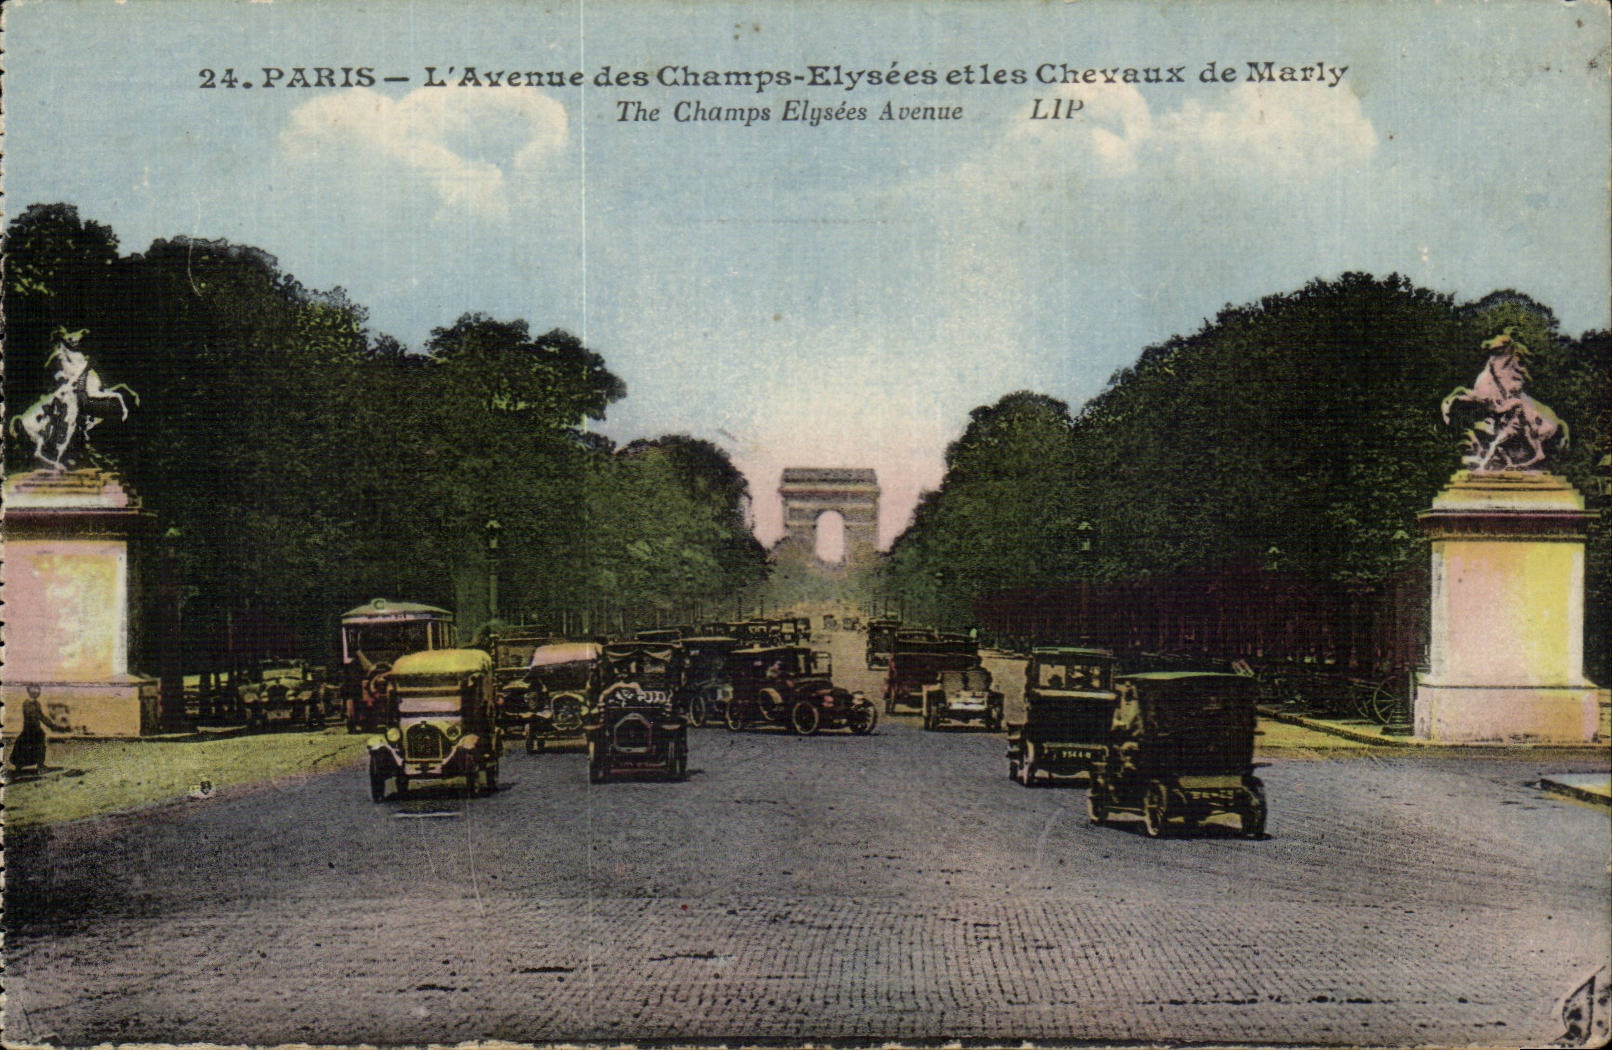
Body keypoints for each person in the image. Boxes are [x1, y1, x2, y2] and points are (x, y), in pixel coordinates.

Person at [9, 684, 71, 775]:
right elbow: (34, 716)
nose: (36, 693)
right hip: (29, 729)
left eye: (38, 691)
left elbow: (41, 716)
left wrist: (53, 726)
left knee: (36, 746)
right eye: (33, 691)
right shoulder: (26, 703)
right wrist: (49, 726)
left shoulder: (37, 704)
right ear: (28, 692)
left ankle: (38, 765)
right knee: (25, 747)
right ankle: (23, 767)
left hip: (35, 729)